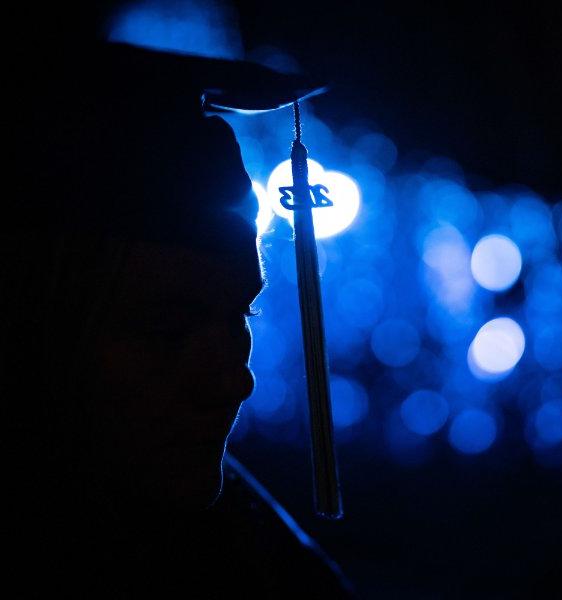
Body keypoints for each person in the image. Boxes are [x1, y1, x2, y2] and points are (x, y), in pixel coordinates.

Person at [5, 2, 354, 597]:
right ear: (33, 320)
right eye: (165, 331)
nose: (232, 383)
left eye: (241, 317)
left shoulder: (268, 573)